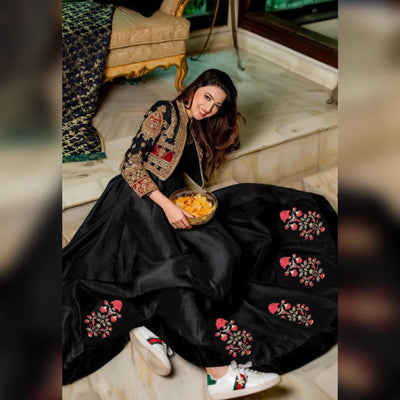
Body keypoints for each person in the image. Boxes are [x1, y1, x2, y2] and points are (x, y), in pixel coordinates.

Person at [63, 69, 337, 399]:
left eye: (217, 105)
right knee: (176, 267)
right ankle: (219, 373)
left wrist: (223, 128)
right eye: (207, 97)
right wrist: (167, 206)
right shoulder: (164, 111)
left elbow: (196, 164)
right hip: (137, 200)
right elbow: (130, 165)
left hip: (170, 202)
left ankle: (151, 326)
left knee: (222, 248)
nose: (208, 108)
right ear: (194, 89)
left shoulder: (196, 126)